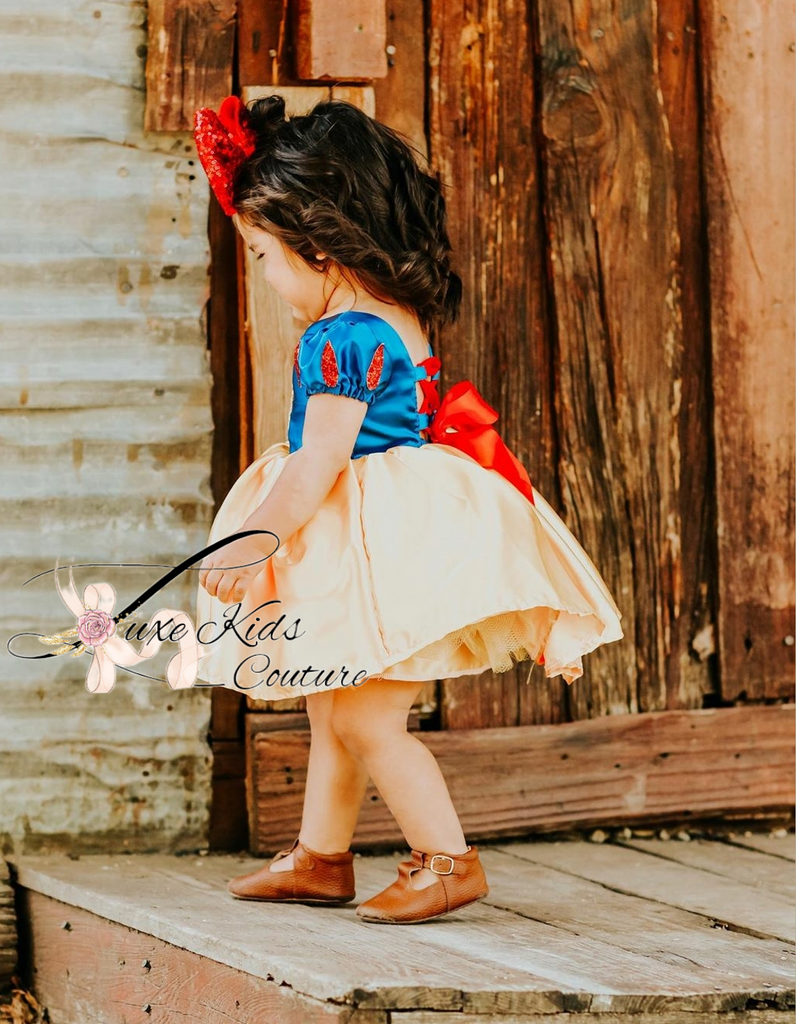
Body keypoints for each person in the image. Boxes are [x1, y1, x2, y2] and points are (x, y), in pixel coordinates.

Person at [191, 94, 624, 924]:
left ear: (319, 249)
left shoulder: (341, 338)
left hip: (379, 552)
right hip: (400, 532)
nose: (265, 276)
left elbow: (319, 460)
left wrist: (252, 541)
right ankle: (322, 857)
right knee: (335, 704)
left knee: (366, 719)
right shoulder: (397, 314)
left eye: (263, 255)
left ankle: (447, 862)